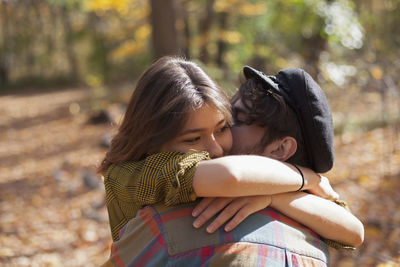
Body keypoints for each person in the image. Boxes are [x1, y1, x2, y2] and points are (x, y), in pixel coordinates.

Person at [100, 57, 363, 266]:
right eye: (193, 139)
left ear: (281, 148)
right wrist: (307, 177)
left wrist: (274, 197)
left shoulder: (281, 191)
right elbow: (231, 176)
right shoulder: (135, 174)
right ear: (155, 139)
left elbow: (353, 232)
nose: (215, 149)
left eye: (227, 125)